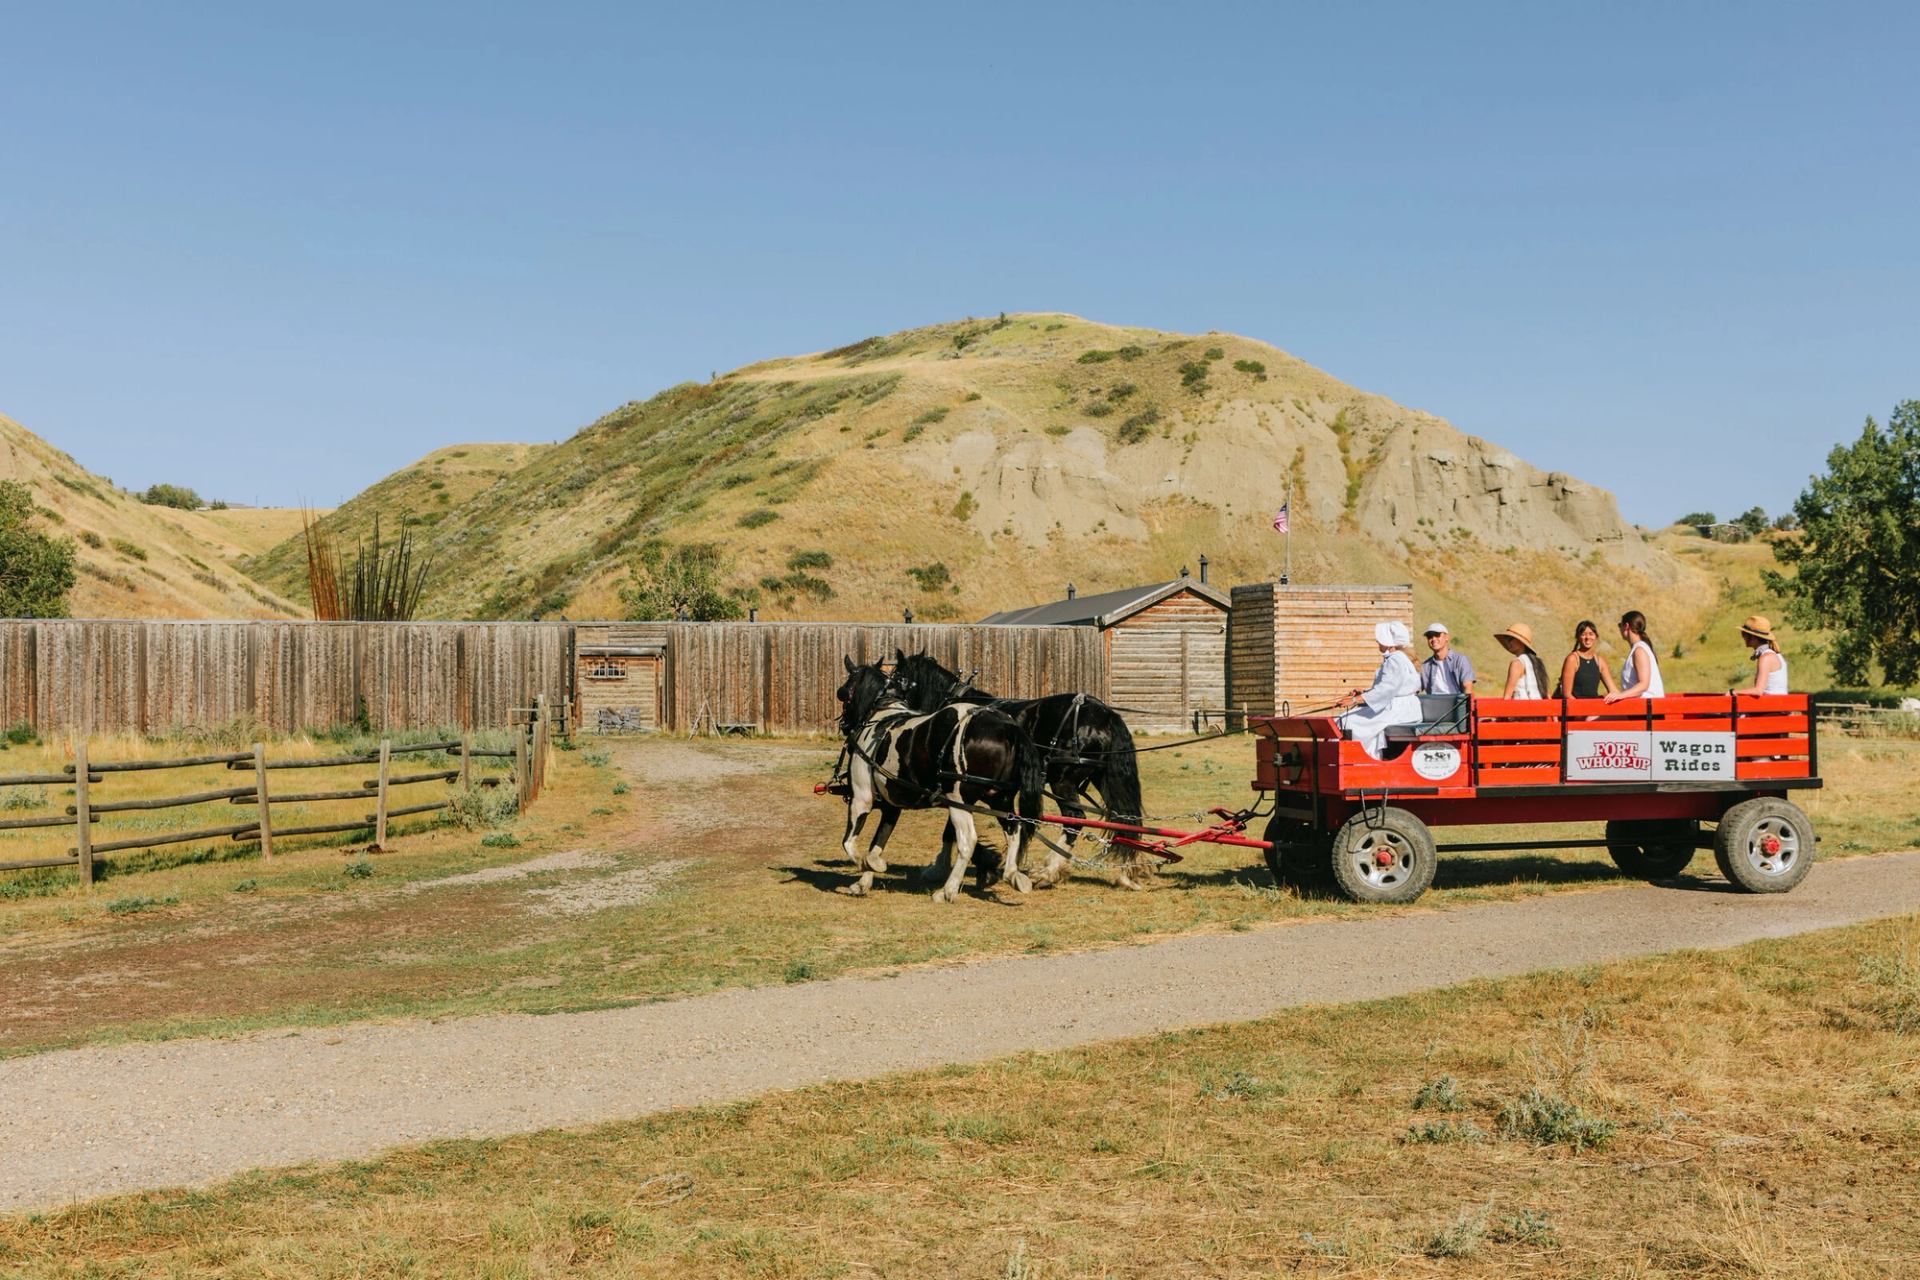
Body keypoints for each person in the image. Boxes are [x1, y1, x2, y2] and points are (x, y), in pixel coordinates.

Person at [1337, 621, 1422, 758]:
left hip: (1399, 710)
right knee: (1343, 718)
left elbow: (1386, 689)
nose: (1378, 643)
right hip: (1395, 706)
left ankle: (1361, 758)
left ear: (1388, 642)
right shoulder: (1397, 658)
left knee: (1348, 721)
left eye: (1380, 641)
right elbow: (1390, 687)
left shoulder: (1395, 660)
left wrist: (1356, 699)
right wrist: (1364, 693)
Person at [1605, 610, 1664, 701]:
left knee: (1592, 715)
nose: (1620, 629)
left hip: (1645, 709)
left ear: (1626, 626)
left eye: (1620, 625)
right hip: (1640, 707)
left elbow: (1643, 685)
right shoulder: (1640, 648)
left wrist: (1620, 695)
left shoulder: (1639, 650)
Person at [1556, 619, 1619, 699]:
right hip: (1575, 709)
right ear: (1578, 637)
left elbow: (1613, 690)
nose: (1587, 637)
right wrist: (1581, 708)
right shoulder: (1572, 659)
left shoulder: (1599, 661)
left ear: (1596, 637)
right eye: (1584, 634)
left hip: (1594, 709)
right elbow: (1567, 694)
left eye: (1591, 634)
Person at [1492, 622, 1549, 699]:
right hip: (1540, 709)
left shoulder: (1517, 663)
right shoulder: (1537, 663)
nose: (1508, 642)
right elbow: (1546, 694)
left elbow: (1507, 697)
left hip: (1521, 709)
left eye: (1511, 639)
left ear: (1520, 641)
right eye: (1507, 639)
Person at [1735, 615, 1788, 695]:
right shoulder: (1773, 654)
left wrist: (1734, 692)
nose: (1743, 637)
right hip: (1778, 704)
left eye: (1744, 634)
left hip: (1772, 705)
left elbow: (1758, 691)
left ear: (1753, 637)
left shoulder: (1766, 657)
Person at [1419, 621, 1476, 696]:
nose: (1433, 639)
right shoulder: (1426, 666)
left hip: (1457, 704)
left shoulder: (1460, 660)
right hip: (1434, 705)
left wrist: (1463, 706)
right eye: (1430, 636)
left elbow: (1468, 687)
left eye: (1437, 635)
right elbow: (1414, 688)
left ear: (1446, 637)